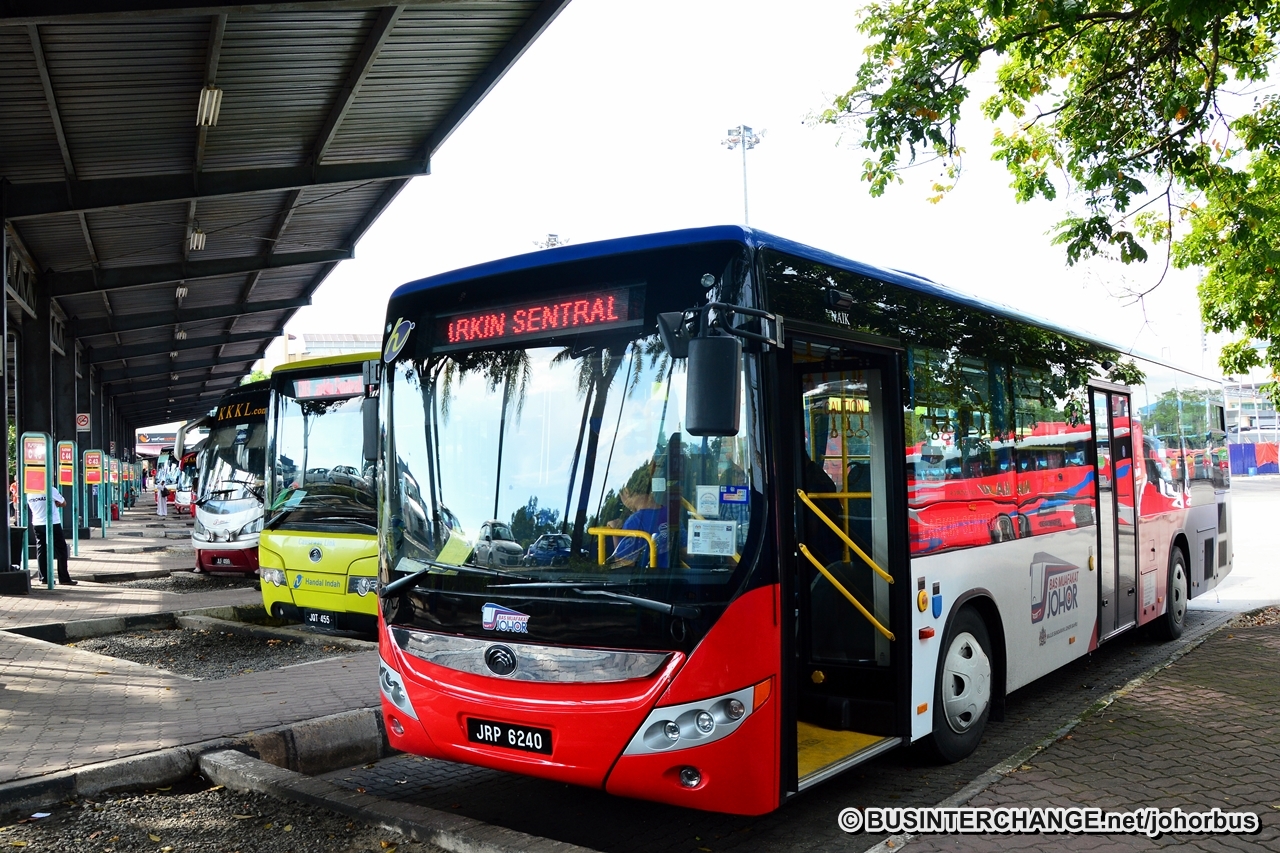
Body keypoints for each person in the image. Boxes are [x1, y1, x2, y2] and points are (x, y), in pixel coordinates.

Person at [605, 465, 669, 568]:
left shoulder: (634, 521)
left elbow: (624, 563)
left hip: (645, 580)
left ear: (627, 492)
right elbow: (687, 552)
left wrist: (614, 533)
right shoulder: (671, 514)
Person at [27, 489, 76, 586]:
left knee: (41, 550)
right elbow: (64, 503)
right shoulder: (50, 489)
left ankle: (44, 578)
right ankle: (64, 578)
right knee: (61, 549)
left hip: (37, 523)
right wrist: (56, 503)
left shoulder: (29, 492)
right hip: (53, 523)